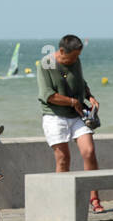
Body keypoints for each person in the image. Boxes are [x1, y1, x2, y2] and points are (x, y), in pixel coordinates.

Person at [37, 34, 102, 211]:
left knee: (89, 152)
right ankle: (61, 201)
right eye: (72, 56)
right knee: (63, 158)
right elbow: (48, 95)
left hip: (77, 116)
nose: (74, 60)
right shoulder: (47, 63)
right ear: (61, 51)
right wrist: (73, 102)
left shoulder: (76, 61)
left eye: (77, 56)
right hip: (54, 116)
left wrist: (90, 96)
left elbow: (80, 82)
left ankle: (94, 198)